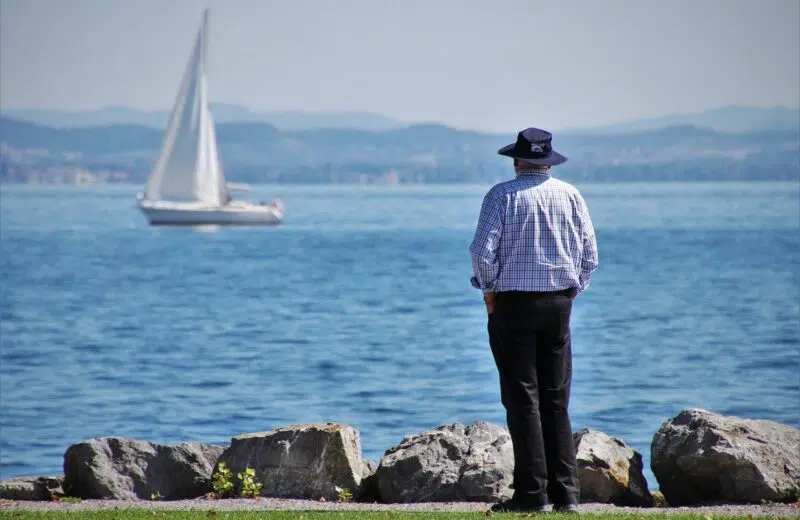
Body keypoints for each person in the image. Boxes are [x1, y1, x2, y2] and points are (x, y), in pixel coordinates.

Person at [470, 127, 599, 514]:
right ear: (548, 161)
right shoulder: (571, 195)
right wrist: (570, 292)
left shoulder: (500, 195)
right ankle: (567, 496)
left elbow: (481, 251)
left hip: (512, 306)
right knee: (556, 400)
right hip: (559, 305)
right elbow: (590, 255)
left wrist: (489, 291)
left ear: (517, 160)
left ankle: (532, 495)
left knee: (522, 399)